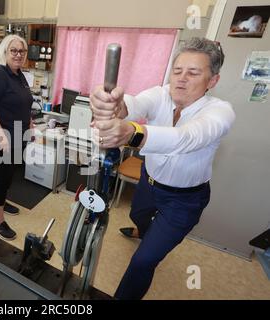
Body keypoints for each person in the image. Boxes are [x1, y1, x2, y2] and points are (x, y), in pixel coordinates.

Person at [90, 37, 235, 299]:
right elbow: (132, 105)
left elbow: (187, 138)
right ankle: (144, 231)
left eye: (193, 73)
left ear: (212, 81)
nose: (181, 79)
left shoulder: (220, 112)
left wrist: (131, 133)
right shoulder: (161, 93)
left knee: (143, 262)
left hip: (184, 200)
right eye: (177, 71)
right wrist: (112, 105)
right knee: (138, 216)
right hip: (149, 182)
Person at [0, 34, 33, 241]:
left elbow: (23, 103)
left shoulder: (19, 75)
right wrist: (0, 133)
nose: (18, 55)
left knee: (10, 173)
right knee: (2, 176)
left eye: (22, 51)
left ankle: (1, 200)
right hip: (1, 135)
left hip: (18, 132)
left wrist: (29, 122)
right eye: (14, 50)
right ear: (5, 52)